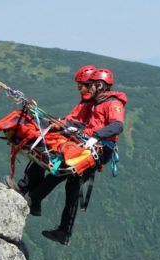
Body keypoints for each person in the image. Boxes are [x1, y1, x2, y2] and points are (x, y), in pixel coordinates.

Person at [29, 68, 127, 245]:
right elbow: (86, 123)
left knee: (63, 172)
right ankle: (62, 230)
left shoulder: (113, 103)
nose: (90, 89)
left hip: (100, 147)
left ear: (100, 85)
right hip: (91, 144)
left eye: (93, 85)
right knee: (71, 185)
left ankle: (34, 199)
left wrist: (96, 136)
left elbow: (117, 126)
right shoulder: (97, 102)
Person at [4, 65, 97, 216]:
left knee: (43, 151)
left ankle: (27, 192)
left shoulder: (92, 105)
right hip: (71, 137)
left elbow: (83, 124)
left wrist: (62, 125)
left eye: (81, 86)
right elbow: (73, 120)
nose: (79, 89)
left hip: (75, 142)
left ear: (90, 85)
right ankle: (29, 194)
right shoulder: (86, 102)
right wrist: (57, 122)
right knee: (42, 154)